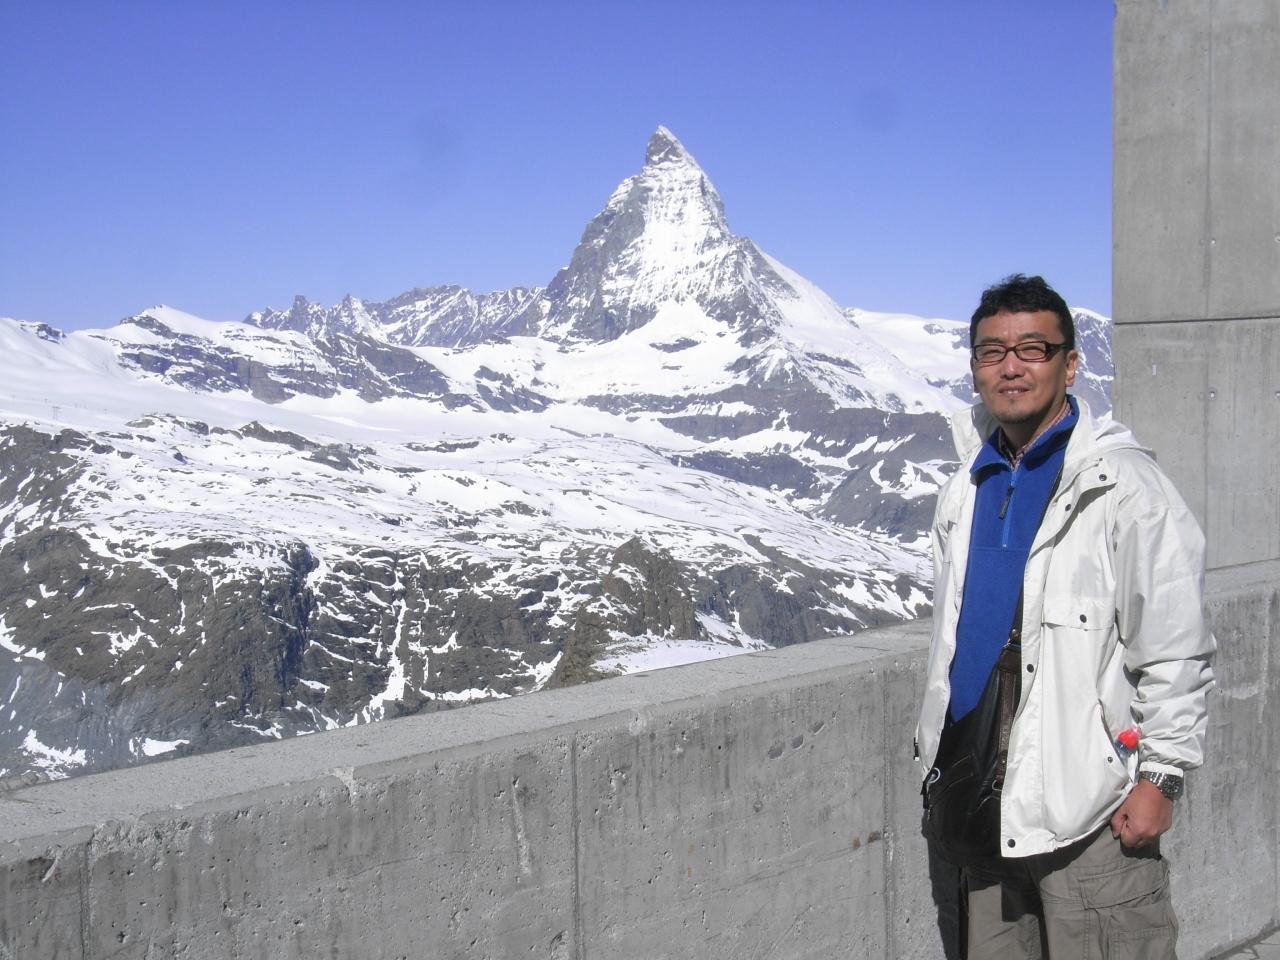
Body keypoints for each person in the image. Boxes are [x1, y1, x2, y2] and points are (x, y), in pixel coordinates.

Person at [916, 274, 1215, 958]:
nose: (1011, 367)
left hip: (1090, 812)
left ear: (1070, 364)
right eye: (993, 352)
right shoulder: (966, 485)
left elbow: (1176, 648)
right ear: (975, 369)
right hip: (979, 801)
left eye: (1033, 349)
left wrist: (1162, 779)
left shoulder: (1125, 487)